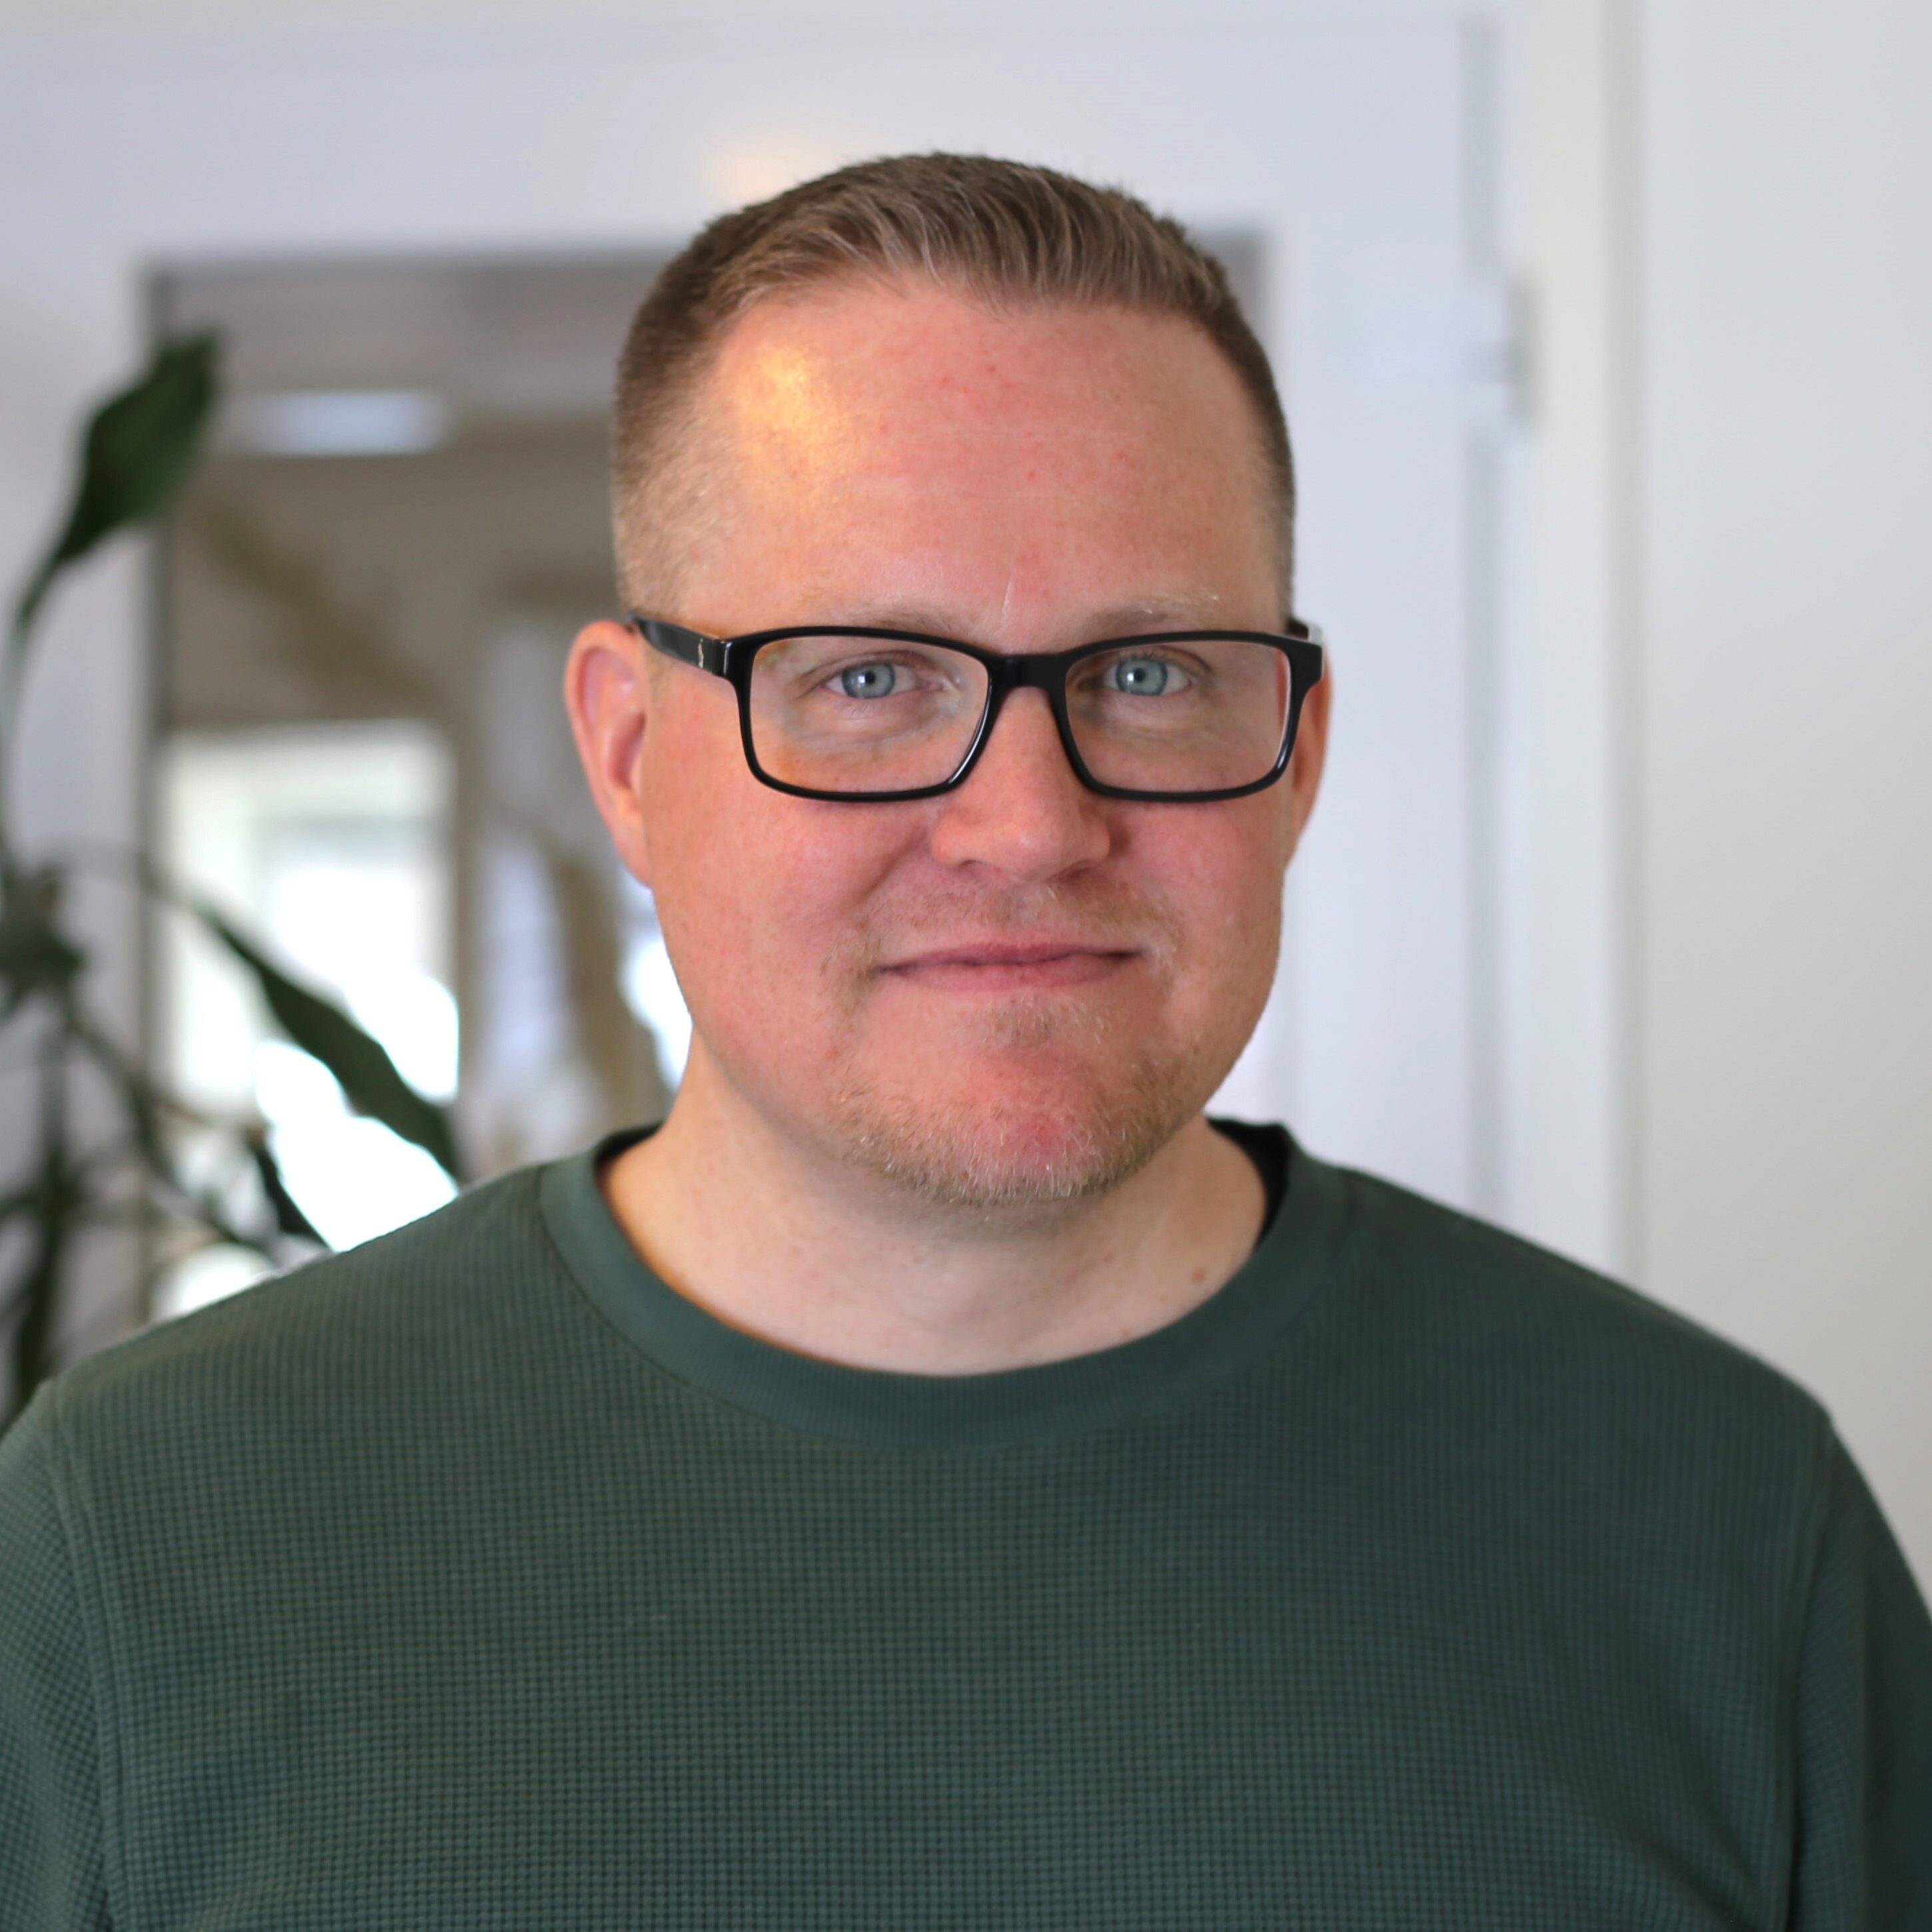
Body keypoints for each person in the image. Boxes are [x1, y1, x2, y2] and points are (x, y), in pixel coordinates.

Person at [3, 154, 1928, 1930]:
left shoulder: (1725, 1540)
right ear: (633, 755)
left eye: (1149, 673)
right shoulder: (132, 1545)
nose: (1025, 825)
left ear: (1298, 754)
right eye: (867, 678)